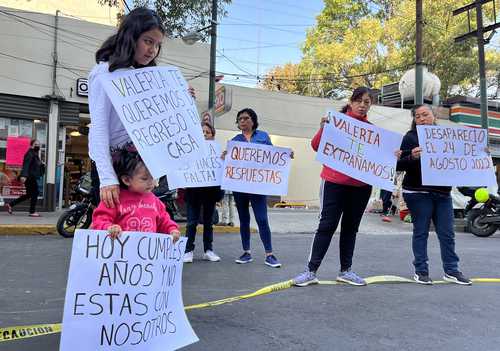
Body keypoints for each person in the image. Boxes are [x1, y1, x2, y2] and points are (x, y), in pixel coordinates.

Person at [88, 7, 194, 209]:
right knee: (113, 232)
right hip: (116, 168)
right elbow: (99, 128)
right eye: (148, 41)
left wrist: (181, 99)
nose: (153, 50)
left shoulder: (147, 78)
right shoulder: (104, 73)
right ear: (131, 37)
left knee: (143, 226)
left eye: (157, 45)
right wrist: (107, 178)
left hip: (142, 169)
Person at [293, 87, 375, 287]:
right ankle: (310, 271)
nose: (363, 105)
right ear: (351, 101)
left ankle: (345, 271)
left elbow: (379, 158)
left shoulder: (372, 131)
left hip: (361, 187)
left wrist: (395, 155)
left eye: (367, 102)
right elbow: (315, 145)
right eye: (359, 101)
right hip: (334, 183)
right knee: (327, 225)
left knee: (350, 229)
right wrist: (323, 128)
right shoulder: (335, 121)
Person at [396, 104, 471, 285]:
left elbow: (462, 159)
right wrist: (411, 157)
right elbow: (398, 165)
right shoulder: (410, 137)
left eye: (425, 115)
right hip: (417, 192)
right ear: (414, 120)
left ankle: (452, 270)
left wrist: (480, 155)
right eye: (418, 116)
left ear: (434, 115)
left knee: (447, 233)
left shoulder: (448, 137)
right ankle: (421, 271)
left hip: (443, 193)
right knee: (421, 232)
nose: (422, 119)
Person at [225, 108, 282, 268]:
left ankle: (269, 254)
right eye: (240, 119)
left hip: (258, 186)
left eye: (246, 118)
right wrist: (225, 155)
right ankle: (246, 252)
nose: (243, 121)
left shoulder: (263, 136)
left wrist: (284, 155)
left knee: (262, 219)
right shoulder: (235, 140)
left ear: (253, 120)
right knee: (244, 220)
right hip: (240, 187)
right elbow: (232, 161)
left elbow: (272, 155)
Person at [91, 147, 180, 242]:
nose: (151, 182)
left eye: (153, 177)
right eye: (144, 179)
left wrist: (172, 229)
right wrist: (108, 227)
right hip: (119, 253)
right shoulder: (114, 198)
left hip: (146, 254)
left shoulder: (155, 201)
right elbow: (99, 221)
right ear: (126, 180)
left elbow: (164, 220)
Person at [183, 122, 223, 263]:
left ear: (212, 135)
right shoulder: (189, 150)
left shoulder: (217, 152)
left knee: (208, 223)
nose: (205, 134)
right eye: (202, 132)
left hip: (210, 193)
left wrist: (220, 195)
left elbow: (220, 174)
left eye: (207, 132)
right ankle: (188, 251)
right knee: (191, 223)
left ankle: (208, 250)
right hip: (194, 193)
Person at [5, 139, 44, 217]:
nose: (38, 146)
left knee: (29, 194)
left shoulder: (34, 154)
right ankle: (32, 212)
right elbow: (26, 165)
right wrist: (24, 176)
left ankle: (10, 204)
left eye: (39, 144)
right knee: (35, 193)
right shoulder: (30, 153)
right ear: (31, 145)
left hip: (31, 176)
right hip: (29, 177)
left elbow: (36, 165)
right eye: (36, 144)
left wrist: (42, 165)